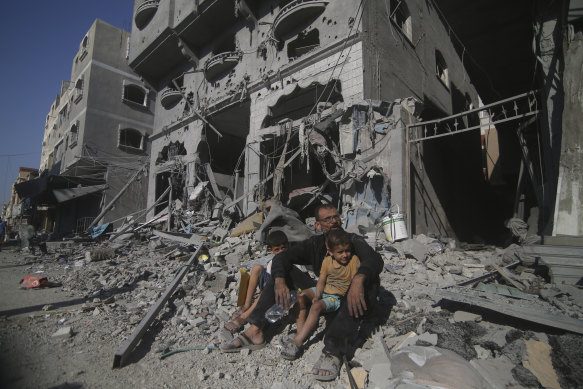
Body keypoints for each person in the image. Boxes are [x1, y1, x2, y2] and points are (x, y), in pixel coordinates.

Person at [220, 204, 383, 382]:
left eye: (336, 217)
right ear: (319, 225)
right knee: (282, 270)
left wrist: (359, 278)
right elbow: (283, 257)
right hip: (326, 290)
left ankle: (333, 351)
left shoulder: (351, 241)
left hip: (349, 296)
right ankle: (256, 330)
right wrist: (280, 278)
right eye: (327, 219)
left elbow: (374, 259)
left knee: (367, 281)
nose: (334, 221)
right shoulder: (315, 244)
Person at [281, 229, 360, 360]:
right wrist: (317, 295)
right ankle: (301, 331)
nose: (345, 255)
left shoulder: (354, 261)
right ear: (331, 252)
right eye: (340, 252)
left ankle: (298, 341)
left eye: (347, 250)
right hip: (324, 290)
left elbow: (357, 280)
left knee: (316, 307)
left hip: (336, 297)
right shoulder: (328, 262)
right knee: (301, 296)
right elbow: (321, 281)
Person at [224, 230, 289, 333]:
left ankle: (245, 316)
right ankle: (246, 305)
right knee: (257, 268)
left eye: (283, 248)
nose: (281, 252)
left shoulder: (290, 261)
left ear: (288, 246)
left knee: (266, 289)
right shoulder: (274, 261)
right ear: (271, 250)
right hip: (269, 280)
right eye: (277, 250)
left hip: (275, 289)